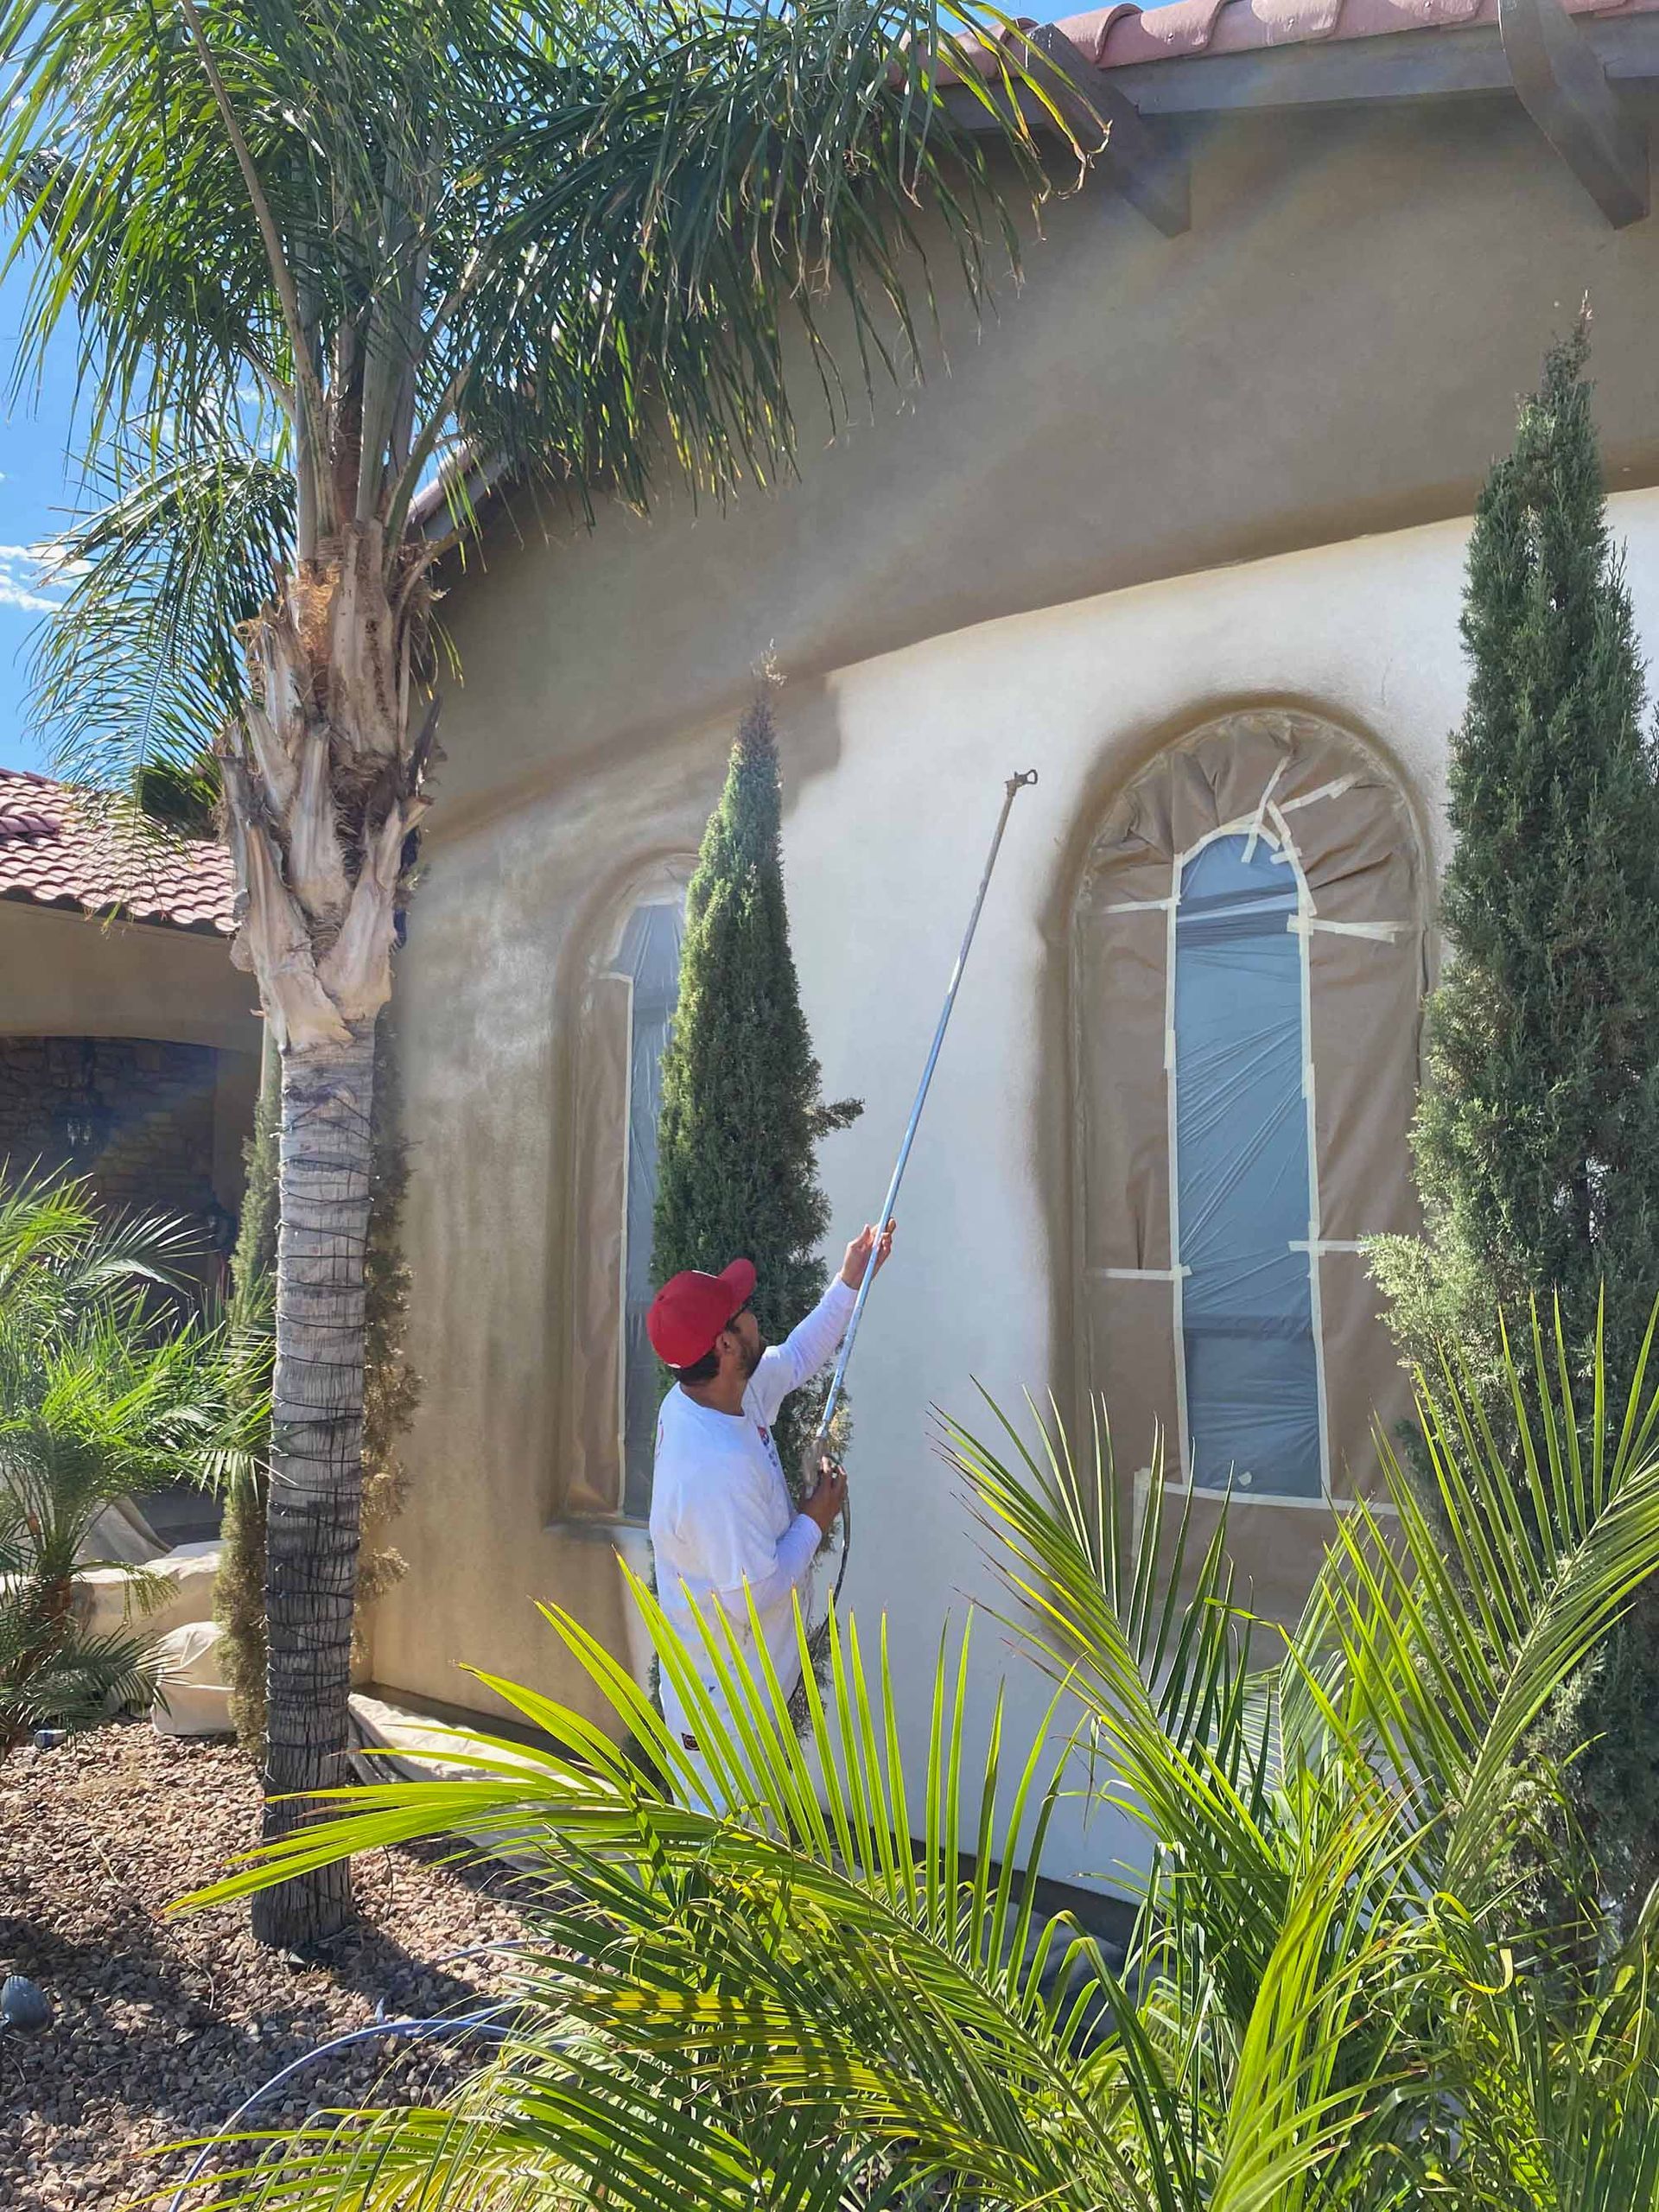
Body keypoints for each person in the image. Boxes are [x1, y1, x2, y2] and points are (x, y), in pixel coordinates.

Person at [645, 1221, 895, 1808]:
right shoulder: (710, 1468)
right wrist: (816, 1517)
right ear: (726, 1345)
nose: (754, 1315)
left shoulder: (724, 1391)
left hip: (744, 1698)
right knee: (728, 1875)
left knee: (756, 1870)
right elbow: (750, 1597)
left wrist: (849, 1281)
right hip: (723, 1725)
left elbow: (801, 1355)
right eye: (743, 1312)